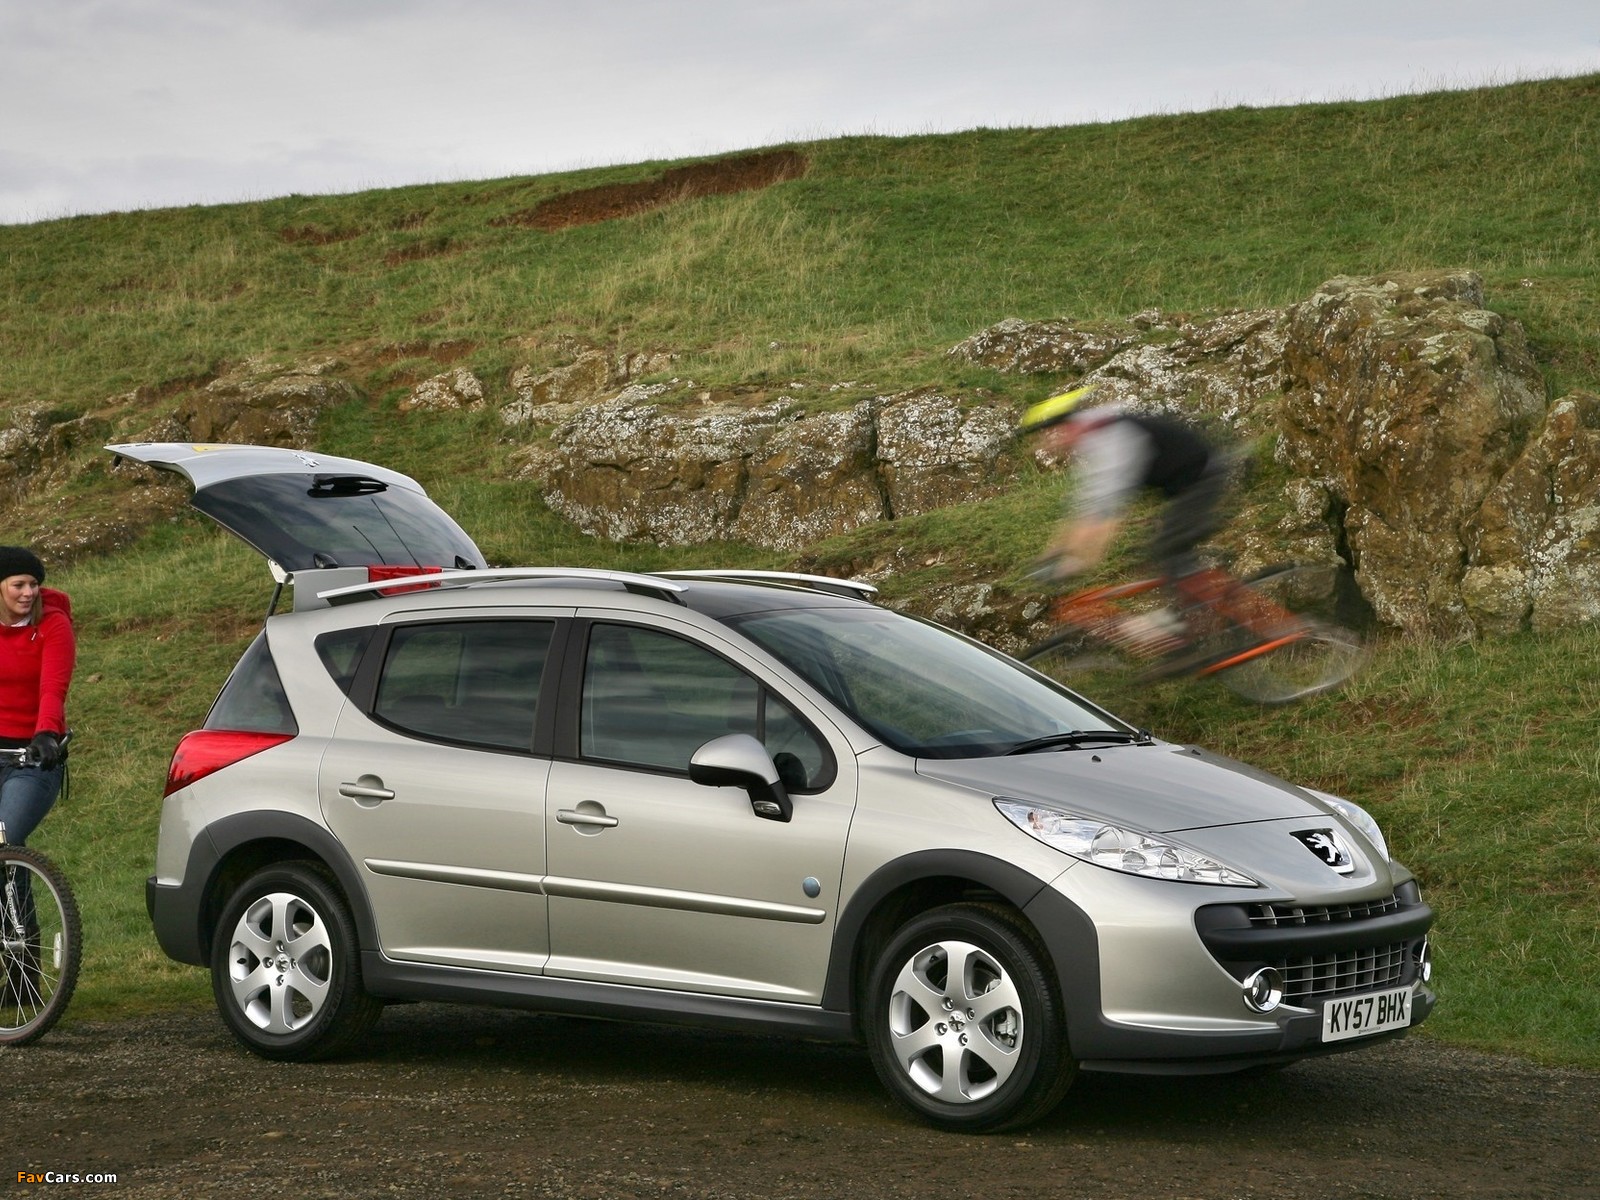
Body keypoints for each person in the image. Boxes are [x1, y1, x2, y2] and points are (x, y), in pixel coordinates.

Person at [1020, 385, 1233, 654]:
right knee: (1162, 549)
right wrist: (1052, 553)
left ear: (1069, 426)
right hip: (1182, 483)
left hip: (1202, 477)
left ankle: (1191, 622)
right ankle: (1188, 620)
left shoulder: (1112, 439)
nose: (1049, 443)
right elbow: (1086, 507)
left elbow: (1107, 514)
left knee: (1169, 546)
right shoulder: (1094, 437)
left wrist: (1083, 559)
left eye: (1052, 434)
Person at [0, 546, 75, 847]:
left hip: (33, 757)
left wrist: (46, 733)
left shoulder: (53, 624)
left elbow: (53, 687)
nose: (28, 593)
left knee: (4, 838)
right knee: (9, 856)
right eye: (18, 585)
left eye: (33, 584)